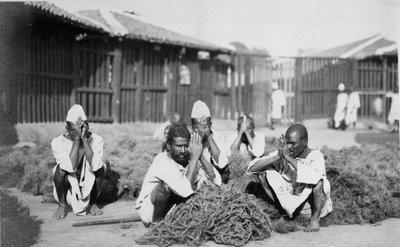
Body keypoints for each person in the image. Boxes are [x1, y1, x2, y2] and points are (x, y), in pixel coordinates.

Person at [247, 123, 332, 232]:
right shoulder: (284, 153)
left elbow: (314, 176)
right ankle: (283, 214)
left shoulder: (316, 156)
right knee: (264, 173)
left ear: (305, 142)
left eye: (292, 143)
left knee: (321, 182)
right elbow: (252, 168)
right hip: (289, 204)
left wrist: (288, 158)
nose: (288, 147)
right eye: (286, 143)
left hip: (309, 208)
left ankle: (314, 221)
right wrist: (278, 157)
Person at [135, 124, 221, 226]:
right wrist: (194, 158)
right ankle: (156, 225)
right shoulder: (162, 161)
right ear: (168, 146)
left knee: (201, 182)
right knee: (165, 188)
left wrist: (199, 154)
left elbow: (215, 181)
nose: (183, 150)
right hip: (149, 210)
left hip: (172, 207)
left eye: (186, 145)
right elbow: (184, 191)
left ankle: (172, 221)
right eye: (179, 146)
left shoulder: (186, 158)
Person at [51, 104, 106, 219]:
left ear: (87, 127)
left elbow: (95, 166)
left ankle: (93, 203)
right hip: (68, 187)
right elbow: (69, 168)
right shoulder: (57, 142)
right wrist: (76, 139)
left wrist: (85, 139)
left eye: (81, 129)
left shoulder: (97, 140)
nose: (78, 133)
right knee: (59, 170)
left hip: (88, 186)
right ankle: (61, 205)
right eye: (74, 130)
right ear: (67, 128)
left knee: (101, 167)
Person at [190, 100, 229, 183]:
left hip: (215, 177)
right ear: (192, 127)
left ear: (210, 125)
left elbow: (222, 163)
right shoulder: (188, 140)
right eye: (197, 127)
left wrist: (209, 137)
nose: (202, 130)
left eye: (205, 126)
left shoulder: (218, 137)